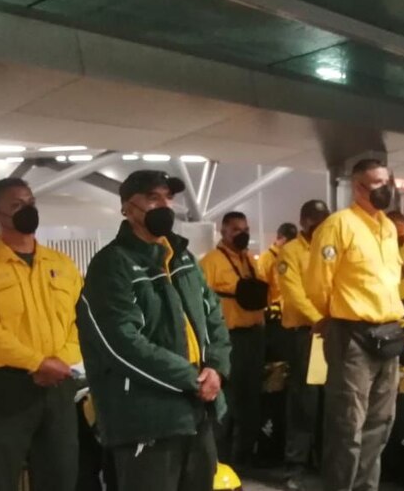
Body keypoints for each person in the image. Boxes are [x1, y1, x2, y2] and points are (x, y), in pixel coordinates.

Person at [77, 170, 231, 491]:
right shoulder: (112, 264)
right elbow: (122, 343)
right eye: (152, 198)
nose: (164, 206)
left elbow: (213, 315)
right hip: (146, 420)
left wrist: (216, 368)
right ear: (127, 208)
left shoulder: (182, 257)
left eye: (168, 198)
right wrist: (192, 378)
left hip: (195, 414)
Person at [0, 178, 84, 490]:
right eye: (16, 205)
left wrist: (60, 361)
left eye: (30, 203)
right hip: (7, 388)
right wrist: (37, 363)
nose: (27, 210)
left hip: (59, 384)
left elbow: (81, 320)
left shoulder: (62, 264)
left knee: (60, 472)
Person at [305, 159, 404, 491]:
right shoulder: (338, 226)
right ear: (358, 187)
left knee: (381, 423)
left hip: (388, 335)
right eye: (376, 182)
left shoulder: (388, 228)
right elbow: (318, 283)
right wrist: (333, 316)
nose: (385, 188)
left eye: (386, 181)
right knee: (348, 427)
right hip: (352, 337)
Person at [200, 212, 266, 468]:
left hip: (255, 335)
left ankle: (246, 457)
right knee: (226, 399)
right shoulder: (210, 262)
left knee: (251, 398)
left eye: (246, 229)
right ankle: (219, 459)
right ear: (223, 231)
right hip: (229, 338)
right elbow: (201, 304)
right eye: (236, 229)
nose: (243, 234)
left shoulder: (250, 260)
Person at [275, 200, 330, 490]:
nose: (320, 224)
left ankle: (324, 461)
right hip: (306, 335)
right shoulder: (290, 252)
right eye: (315, 219)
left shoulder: (330, 249)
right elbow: (293, 293)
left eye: (324, 219)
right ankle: (294, 467)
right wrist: (319, 320)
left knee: (331, 401)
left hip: (332, 333)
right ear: (304, 220)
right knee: (303, 403)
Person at [259, 222, 298, 309]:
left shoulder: (293, 257)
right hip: (276, 310)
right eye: (289, 241)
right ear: (279, 238)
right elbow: (262, 288)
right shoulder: (266, 258)